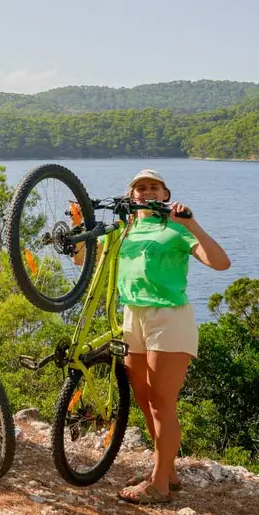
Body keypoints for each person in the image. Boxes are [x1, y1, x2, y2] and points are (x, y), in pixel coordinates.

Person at [117, 169, 229, 505]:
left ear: (165, 194)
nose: (147, 191)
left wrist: (192, 223)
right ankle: (166, 470)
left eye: (154, 186)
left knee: (162, 402)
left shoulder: (177, 227)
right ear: (131, 196)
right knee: (143, 399)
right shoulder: (127, 228)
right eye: (140, 187)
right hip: (132, 315)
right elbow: (85, 260)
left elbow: (221, 263)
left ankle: (160, 486)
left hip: (169, 316)